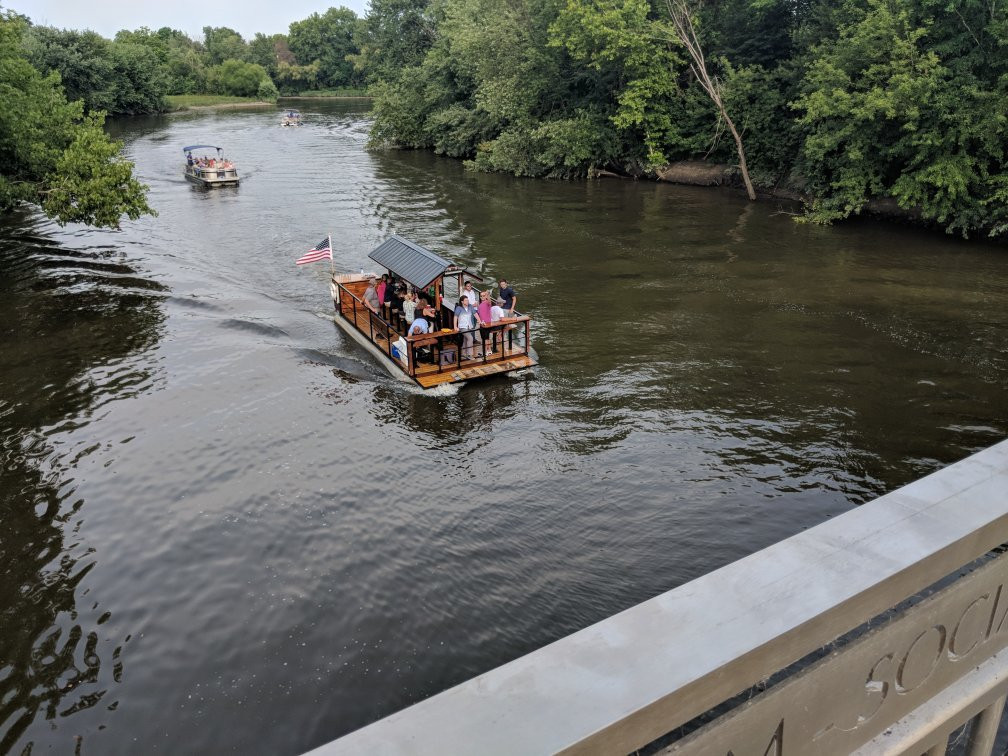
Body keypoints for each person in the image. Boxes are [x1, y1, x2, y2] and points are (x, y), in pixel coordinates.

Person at [454, 294, 481, 361]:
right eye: (466, 300)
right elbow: (455, 317)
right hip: (462, 327)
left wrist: (480, 321)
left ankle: (463, 354)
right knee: (470, 338)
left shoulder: (470, 306)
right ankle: (470, 355)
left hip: (469, 326)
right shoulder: (459, 308)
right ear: (462, 302)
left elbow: (475, 314)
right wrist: (455, 326)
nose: (467, 301)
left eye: (467, 300)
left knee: (466, 340)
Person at [477, 290, 494, 356]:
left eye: (483, 296)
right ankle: (486, 350)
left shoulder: (487, 302)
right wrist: (479, 321)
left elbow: (489, 301)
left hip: (487, 323)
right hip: (482, 323)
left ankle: (489, 350)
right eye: (481, 296)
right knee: (483, 337)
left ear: (486, 296)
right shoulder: (479, 304)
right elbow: (479, 313)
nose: (482, 297)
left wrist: (488, 295)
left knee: (487, 338)